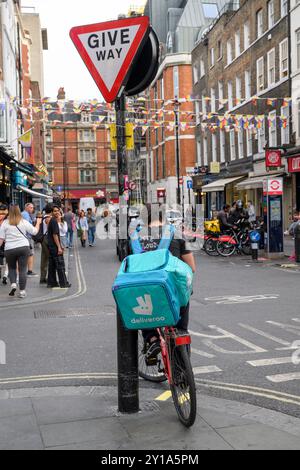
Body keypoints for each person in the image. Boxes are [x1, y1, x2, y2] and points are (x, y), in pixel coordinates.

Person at [138, 205, 196, 360]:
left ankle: (152, 339)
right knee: (180, 327)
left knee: (141, 308)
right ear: (163, 216)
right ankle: (182, 367)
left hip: (150, 292)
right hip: (175, 293)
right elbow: (192, 267)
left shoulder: (137, 237)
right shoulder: (176, 234)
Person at [0, 204, 42, 298]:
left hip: (9, 248)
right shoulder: (24, 222)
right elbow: (35, 231)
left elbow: (1, 239)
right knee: (22, 270)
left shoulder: (5, 223)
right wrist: (38, 222)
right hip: (23, 247)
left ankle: (13, 284)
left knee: (11, 268)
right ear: (19, 211)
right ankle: (22, 291)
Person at [47, 205, 71, 289]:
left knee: (52, 265)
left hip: (51, 246)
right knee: (60, 265)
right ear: (51, 212)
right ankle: (63, 283)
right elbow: (55, 235)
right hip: (54, 246)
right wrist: (59, 247)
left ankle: (51, 282)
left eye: (58, 210)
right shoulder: (53, 221)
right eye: (54, 211)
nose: (56, 212)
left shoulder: (52, 220)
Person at [21, 203, 37, 277]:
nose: (32, 209)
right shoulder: (25, 215)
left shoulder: (24, 214)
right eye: (31, 207)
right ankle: (29, 271)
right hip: (28, 237)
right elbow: (28, 227)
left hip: (25, 237)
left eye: (32, 208)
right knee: (30, 254)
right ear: (26, 207)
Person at [40, 204, 53, 285]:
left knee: (44, 258)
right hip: (47, 239)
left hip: (43, 238)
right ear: (51, 211)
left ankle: (43, 277)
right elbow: (50, 230)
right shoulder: (48, 218)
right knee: (49, 258)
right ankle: (49, 278)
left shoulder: (43, 217)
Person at [0, 204, 8, 285]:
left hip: (3, 241)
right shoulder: (7, 220)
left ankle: (4, 275)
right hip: (5, 242)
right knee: (7, 261)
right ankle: (5, 274)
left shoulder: (7, 220)